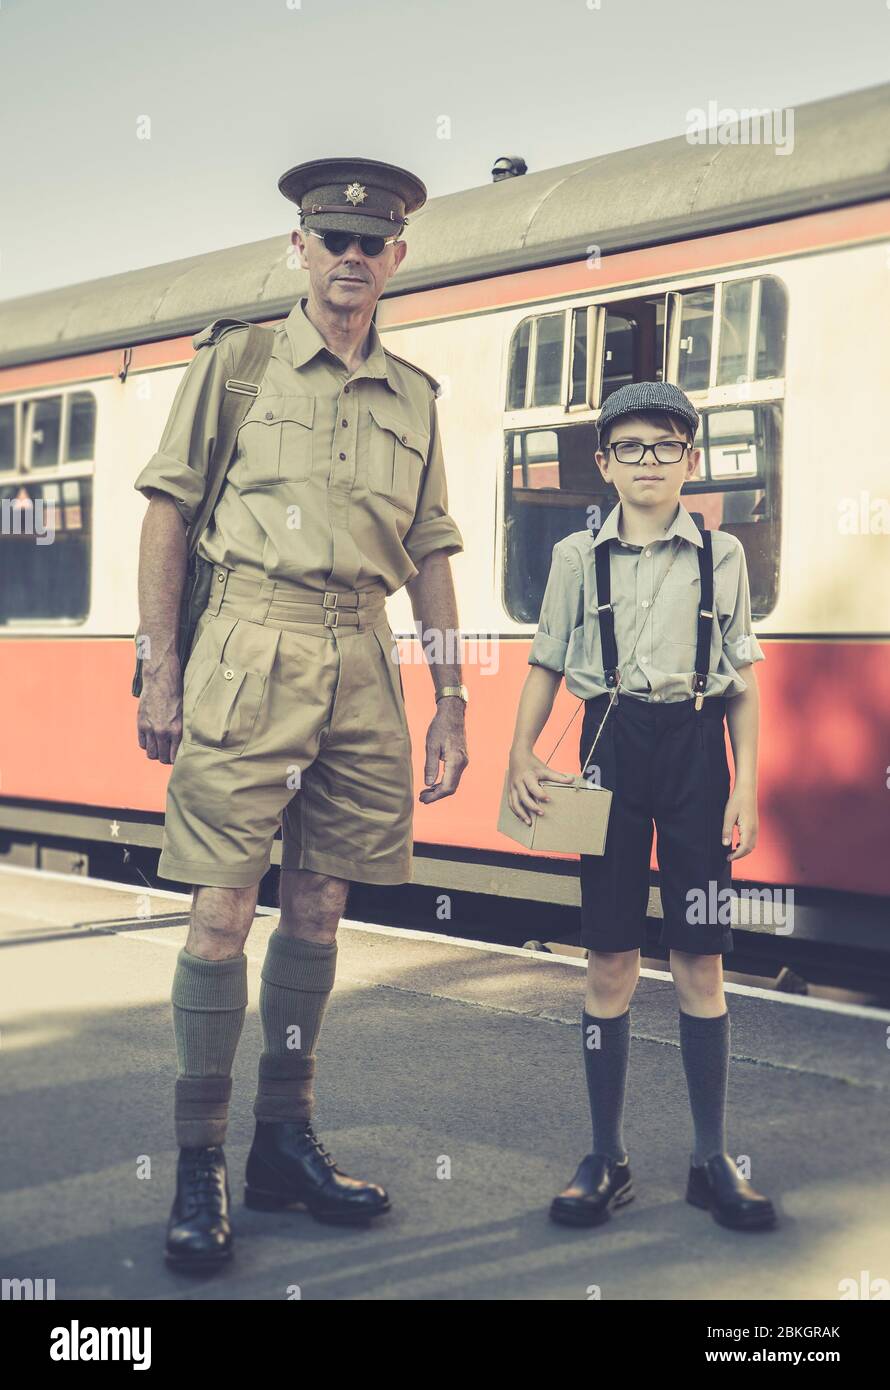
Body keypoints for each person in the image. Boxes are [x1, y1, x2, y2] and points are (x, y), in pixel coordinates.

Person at [133, 158, 469, 1269]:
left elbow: (427, 553)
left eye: (371, 245)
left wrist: (451, 695)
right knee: (222, 915)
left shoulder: (414, 396)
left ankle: (282, 1141)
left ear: (396, 259)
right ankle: (200, 1165)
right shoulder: (236, 364)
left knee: (320, 911)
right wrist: (160, 667)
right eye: (331, 240)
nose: (351, 259)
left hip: (362, 658)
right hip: (246, 646)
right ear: (299, 247)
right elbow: (171, 511)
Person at [506, 380, 777, 1232]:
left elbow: (741, 683)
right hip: (608, 753)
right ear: (604, 465)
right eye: (630, 448)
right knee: (610, 960)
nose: (649, 462)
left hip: (697, 754)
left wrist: (747, 782)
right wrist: (520, 749)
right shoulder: (574, 560)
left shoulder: (720, 556)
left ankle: (710, 1158)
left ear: (690, 461)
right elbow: (547, 663)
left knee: (702, 959)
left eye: (666, 446)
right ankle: (605, 1155)